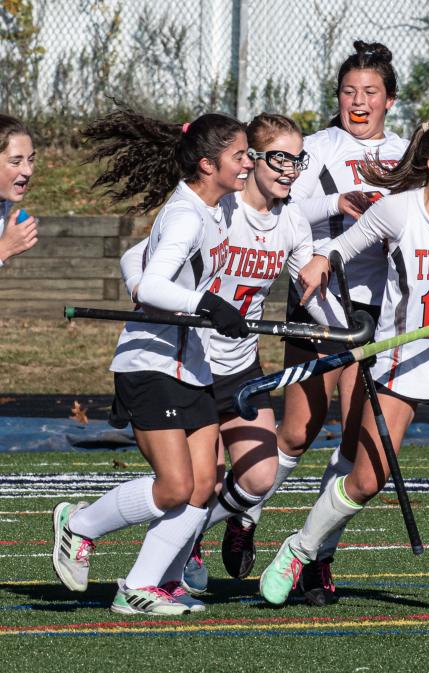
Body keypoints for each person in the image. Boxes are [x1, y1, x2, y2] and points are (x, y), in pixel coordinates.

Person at [257, 119, 429, 613]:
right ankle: (301, 547)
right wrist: (318, 263)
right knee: (366, 480)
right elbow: (341, 247)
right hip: (400, 360)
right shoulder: (399, 211)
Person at [118, 114, 344, 599]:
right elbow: (138, 258)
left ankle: (195, 533)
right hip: (197, 360)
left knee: (260, 476)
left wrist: (345, 329)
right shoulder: (220, 207)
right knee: (197, 482)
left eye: (297, 159)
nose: (291, 170)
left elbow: (310, 289)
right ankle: (159, 564)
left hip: (241, 364)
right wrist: (142, 290)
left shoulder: (292, 219)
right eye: (280, 158)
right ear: (253, 159)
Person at [220, 40, 408, 607]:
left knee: (357, 439)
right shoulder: (318, 148)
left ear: (389, 100)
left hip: (382, 307)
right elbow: (279, 207)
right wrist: (338, 205)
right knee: (301, 428)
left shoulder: (406, 155)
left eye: (370, 93)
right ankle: (242, 512)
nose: (359, 101)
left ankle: (316, 557)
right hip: (319, 296)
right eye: (349, 91)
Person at [51, 106, 254, 615]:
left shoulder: (213, 207)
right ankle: (79, 525)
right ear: (208, 164)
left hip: (191, 365)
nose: (248, 162)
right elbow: (147, 283)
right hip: (150, 363)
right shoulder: (187, 213)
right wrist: (205, 304)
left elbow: (131, 257)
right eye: (241, 154)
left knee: (205, 484)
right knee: (175, 486)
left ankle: (140, 586)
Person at [0, 115, 38, 267]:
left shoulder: (5, 200)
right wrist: (5, 248)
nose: (28, 171)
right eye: (16, 162)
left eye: (31, 160)